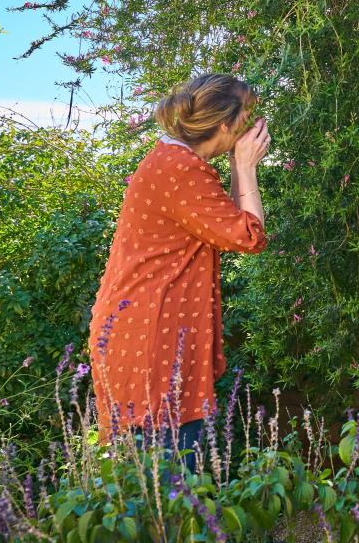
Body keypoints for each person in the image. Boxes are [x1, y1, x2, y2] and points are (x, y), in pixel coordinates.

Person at [87, 73, 271, 474]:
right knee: (164, 486)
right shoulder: (182, 170)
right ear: (225, 125)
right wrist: (247, 166)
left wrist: (239, 165)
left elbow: (235, 228)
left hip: (145, 330)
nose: (253, 126)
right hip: (152, 340)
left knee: (148, 482)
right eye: (248, 116)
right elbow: (250, 236)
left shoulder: (175, 162)